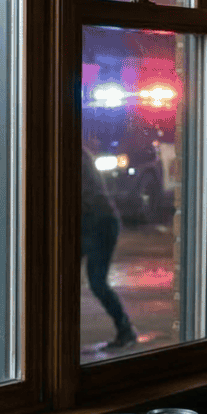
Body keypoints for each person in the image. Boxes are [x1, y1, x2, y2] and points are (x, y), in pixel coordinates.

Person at [82, 146, 137, 350]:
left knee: (97, 281)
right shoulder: (77, 153)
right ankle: (125, 330)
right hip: (97, 222)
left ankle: (126, 330)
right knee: (95, 281)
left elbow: (83, 196)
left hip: (98, 223)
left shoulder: (71, 155)